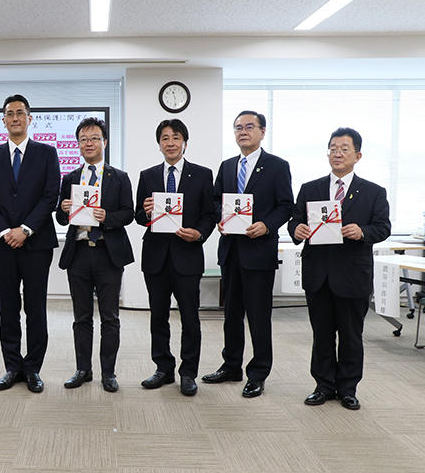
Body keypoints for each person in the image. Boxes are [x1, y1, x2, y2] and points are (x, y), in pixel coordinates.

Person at [288, 127, 390, 410]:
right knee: (321, 335)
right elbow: (294, 221)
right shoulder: (310, 188)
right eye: (333, 148)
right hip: (318, 274)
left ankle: (347, 388)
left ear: (358, 155)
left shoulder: (373, 192)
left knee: (350, 336)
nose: (337, 153)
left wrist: (363, 231)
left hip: (352, 274)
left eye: (344, 149)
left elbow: (383, 227)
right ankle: (323, 385)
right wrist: (297, 229)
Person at [202, 111, 293, 398]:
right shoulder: (228, 166)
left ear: (262, 132)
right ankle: (231, 366)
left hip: (259, 252)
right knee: (231, 315)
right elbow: (216, 200)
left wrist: (266, 225)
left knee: (258, 316)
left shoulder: (277, 166)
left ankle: (258, 373)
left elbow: (286, 205)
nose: (243, 132)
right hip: (231, 251)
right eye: (238, 127)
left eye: (249, 127)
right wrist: (221, 218)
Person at [0, 94, 60, 393]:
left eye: (20, 113)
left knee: (36, 308)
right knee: (8, 308)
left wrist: (25, 229)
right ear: (3, 120)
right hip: (2, 245)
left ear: (29, 118)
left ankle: (33, 368)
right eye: (9, 114)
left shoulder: (47, 153)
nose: (15, 118)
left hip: (36, 244)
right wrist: (4, 231)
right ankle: (12, 366)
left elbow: (50, 195)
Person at [135, 119, 216, 396]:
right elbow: (138, 216)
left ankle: (188, 372)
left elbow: (210, 214)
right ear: (159, 144)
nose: (170, 143)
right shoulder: (147, 176)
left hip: (187, 255)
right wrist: (146, 211)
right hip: (155, 257)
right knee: (158, 317)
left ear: (185, 143)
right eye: (165, 138)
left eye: (176, 137)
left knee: (190, 318)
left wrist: (199, 233)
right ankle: (163, 368)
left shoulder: (202, 175)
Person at [56, 117, 134, 393]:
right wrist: (64, 208)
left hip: (107, 254)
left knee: (110, 317)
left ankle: (108, 373)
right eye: (83, 140)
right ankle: (83, 369)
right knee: (81, 317)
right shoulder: (70, 178)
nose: (89, 143)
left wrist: (106, 217)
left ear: (105, 142)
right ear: (78, 145)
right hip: (78, 253)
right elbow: (60, 218)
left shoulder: (119, 177)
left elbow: (129, 213)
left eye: (94, 138)